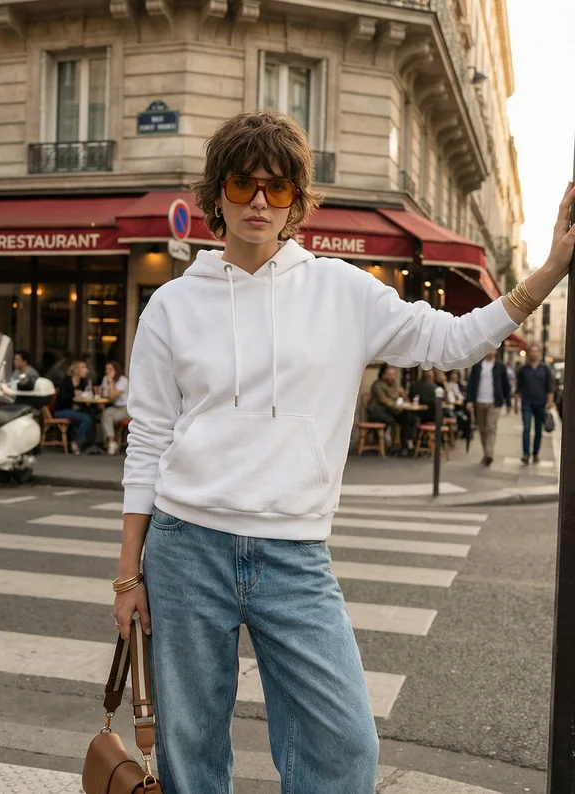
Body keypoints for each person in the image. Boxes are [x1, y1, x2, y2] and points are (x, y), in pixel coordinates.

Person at [113, 110, 575, 794]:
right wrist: (128, 575)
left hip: (294, 554)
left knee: (345, 747)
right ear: (218, 197)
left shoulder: (343, 290)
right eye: (243, 186)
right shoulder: (172, 307)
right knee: (192, 754)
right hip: (186, 547)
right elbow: (147, 441)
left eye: (277, 188)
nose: (260, 202)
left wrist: (549, 272)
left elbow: (451, 341)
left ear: (298, 199)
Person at [465, 351, 511, 466]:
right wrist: (469, 400)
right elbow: (471, 384)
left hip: (494, 402)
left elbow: (506, 385)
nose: (491, 351)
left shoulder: (500, 366)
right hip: (479, 401)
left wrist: (509, 402)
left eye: (494, 349)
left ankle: (489, 454)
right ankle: (486, 453)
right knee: (482, 429)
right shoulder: (477, 365)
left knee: (491, 427)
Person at [514, 343, 554, 463]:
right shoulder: (523, 369)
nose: (534, 353)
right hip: (526, 402)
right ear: (529, 353)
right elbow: (518, 387)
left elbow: (549, 387)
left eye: (536, 351)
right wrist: (515, 403)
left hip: (540, 403)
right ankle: (526, 454)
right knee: (526, 428)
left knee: (538, 430)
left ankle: (535, 453)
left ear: (539, 353)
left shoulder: (545, 369)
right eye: (532, 351)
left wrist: (550, 402)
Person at [368, 364, 417, 453]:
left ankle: (406, 444)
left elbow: (403, 394)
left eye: (393, 375)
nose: (392, 377)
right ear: (383, 375)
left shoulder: (395, 385)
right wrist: (397, 405)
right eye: (389, 375)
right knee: (392, 420)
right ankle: (393, 444)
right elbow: (383, 400)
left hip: (392, 410)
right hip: (378, 411)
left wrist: (404, 398)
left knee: (409, 418)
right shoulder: (378, 385)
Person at [54, 360, 93, 455]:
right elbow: (62, 397)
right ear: (76, 370)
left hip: (75, 410)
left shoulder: (83, 382)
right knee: (86, 418)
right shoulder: (66, 381)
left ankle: (89, 444)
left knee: (92, 414)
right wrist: (73, 394)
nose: (86, 370)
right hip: (62, 410)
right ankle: (77, 443)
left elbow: (88, 394)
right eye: (83, 367)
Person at [99, 361, 130, 455]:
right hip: (115, 407)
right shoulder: (105, 378)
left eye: (110, 369)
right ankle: (111, 441)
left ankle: (111, 441)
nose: (107, 371)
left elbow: (112, 396)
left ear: (116, 370)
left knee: (106, 414)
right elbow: (103, 393)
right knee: (104, 413)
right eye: (106, 369)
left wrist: (111, 382)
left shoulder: (123, 380)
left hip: (125, 408)